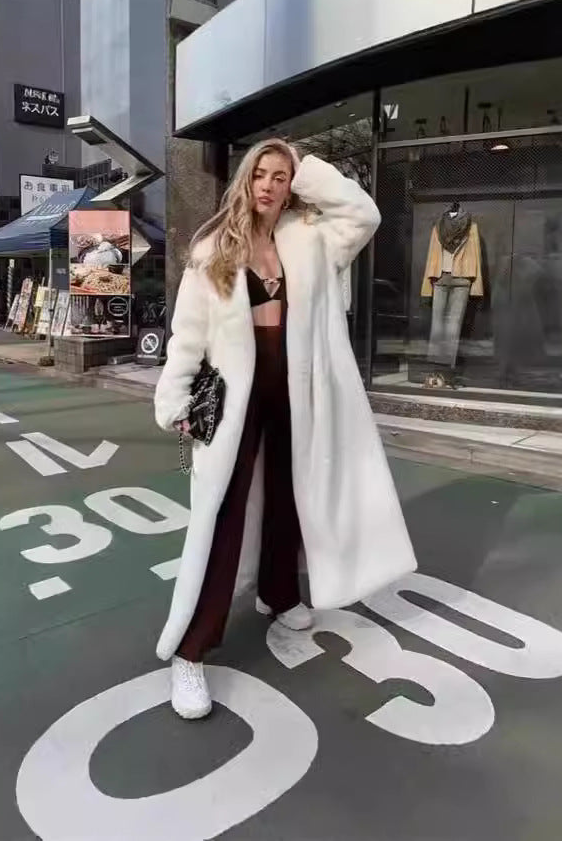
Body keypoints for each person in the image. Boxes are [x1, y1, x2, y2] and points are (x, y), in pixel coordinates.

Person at [154, 139, 417, 719]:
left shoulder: (310, 240)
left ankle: (278, 593)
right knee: (222, 519)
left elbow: (365, 215)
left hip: (298, 394)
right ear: (245, 181)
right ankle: (191, 650)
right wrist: (174, 397)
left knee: (289, 499)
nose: (269, 186)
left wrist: (307, 168)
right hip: (235, 403)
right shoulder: (214, 248)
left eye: (281, 176)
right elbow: (188, 336)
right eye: (261, 174)